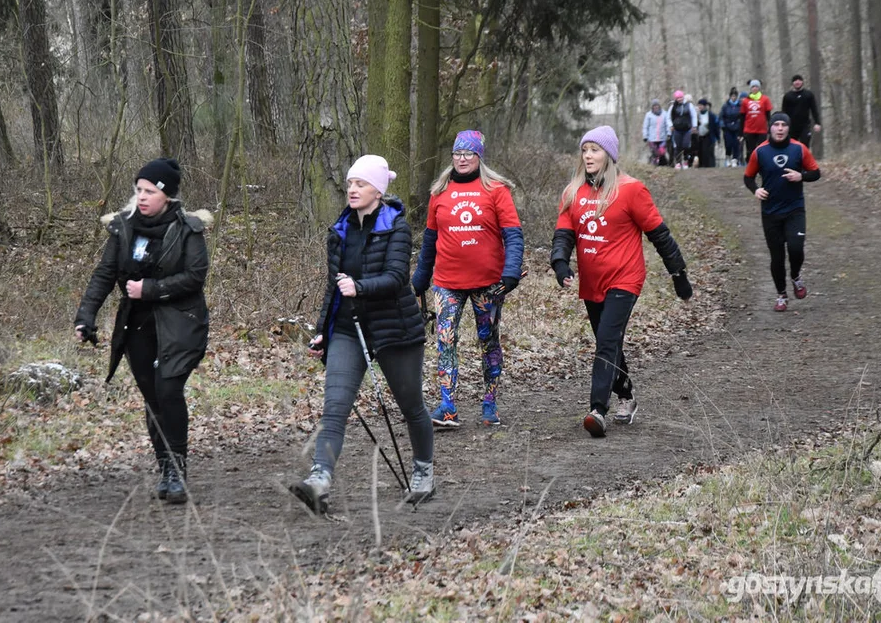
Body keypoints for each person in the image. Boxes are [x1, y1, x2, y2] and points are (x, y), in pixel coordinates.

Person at [292, 155, 435, 513]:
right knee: (335, 407)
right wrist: (322, 330)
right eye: (350, 184)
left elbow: (397, 276)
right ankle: (319, 481)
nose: (352, 190)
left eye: (360, 184)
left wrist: (360, 286)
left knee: (411, 406)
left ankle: (423, 472)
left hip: (395, 330)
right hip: (347, 330)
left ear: (378, 190)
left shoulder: (396, 226)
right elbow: (333, 287)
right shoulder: (339, 231)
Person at [74, 158, 210, 504]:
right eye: (139, 190)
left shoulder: (188, 229)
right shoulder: (123, 229)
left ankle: (178, 470)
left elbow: (195, 277)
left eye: (150, 191)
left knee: (168, 389)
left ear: (167, 195)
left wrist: (148, 289)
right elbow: (104, 275)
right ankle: (165, 467)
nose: (142, 197)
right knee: (152, 397)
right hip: (136, 324)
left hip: (181, 322)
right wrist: (85, 317)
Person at [550, 126, 692, 439]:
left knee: (606, 340)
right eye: (585, 150)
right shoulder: (573, 191)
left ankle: (597, 410)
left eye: (595, 150)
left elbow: (660, 235)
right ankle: (626, 394)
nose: (588, 156)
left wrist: (678, 274)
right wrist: (560, 263)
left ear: (609, 155)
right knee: (609, 341)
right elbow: (564, 233)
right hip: (592, 280)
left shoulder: (631, 190)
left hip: (625, 278)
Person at [412, 130, 524, 428]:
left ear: (479, 157)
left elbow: (513, 235)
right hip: (447, 282)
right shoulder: (439, 192)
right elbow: (430, 240)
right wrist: (420, 278)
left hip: (488, 283)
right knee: (445, 341)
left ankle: (489, 403)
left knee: (488, 342)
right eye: (457, 154)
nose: (462, 159)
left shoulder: (497, 190)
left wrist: (511, 272)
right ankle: (447, 406)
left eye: (468, 154)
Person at [743, 113, 821, 312]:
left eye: (783, 125)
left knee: (796, 248)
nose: (779, 128)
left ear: (788, 128)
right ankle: (781, 295)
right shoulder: (760, 152)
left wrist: (800, 176)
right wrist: (756, 190)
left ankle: (795, 276)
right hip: (770, 212)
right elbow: (748, 177)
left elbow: (816, 173)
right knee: (776, 257)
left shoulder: (799, 148)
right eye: (776, 125)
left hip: (795, 209)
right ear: (770, 128)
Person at [781, 74, 822, 146]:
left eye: (799, 80)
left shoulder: (808, 94)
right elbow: (784, 112)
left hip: (805, 126)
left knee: (805, 144)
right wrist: (783, 124)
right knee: (791, 146)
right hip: (791, 126)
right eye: (795, 81)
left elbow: (814, 109)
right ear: (792, 83)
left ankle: (805, 157)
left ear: (802, 82)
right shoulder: (787, 96)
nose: (797, 82)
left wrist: (817, 123)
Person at [739, 79, 772, 165]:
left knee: (762, 149)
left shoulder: (765, 99)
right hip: (749, 129)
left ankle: (762, 166)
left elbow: (768, 115)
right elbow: (742, 117)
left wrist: (771, 127)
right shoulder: (745, 101)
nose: (754, 88)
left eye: (756, 86)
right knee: (750, 150)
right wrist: (740, 132)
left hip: (761, 130)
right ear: (750, 88)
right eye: (753, 86)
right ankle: (751, 166)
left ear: (759, 88)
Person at [666, 90, 698, 169]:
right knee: (677, 146)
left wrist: (694, 126)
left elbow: (694, 116)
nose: (679, 99)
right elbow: (668, 117)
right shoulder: (673, 107)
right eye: (678, 98)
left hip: (687, 129)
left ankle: (686, 161)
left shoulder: (689, 105)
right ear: (675, 98)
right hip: (677, 129)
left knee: (686, 145)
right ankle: (678, 162)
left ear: (683, 97)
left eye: (680, 97)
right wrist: (670, 126)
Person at [719, 87, 743, 167]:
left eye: (735, 96)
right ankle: (728, 157)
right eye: (732, 96)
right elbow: (721, 116)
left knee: (736, 144)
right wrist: (723, 126)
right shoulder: (725, 106)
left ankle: (735, 159)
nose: (733, 98)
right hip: (727, 128)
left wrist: (741, 125)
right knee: (728, 144)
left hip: (737, 128)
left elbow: (742, 116)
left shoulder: (740, 105)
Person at [642, 99, 670, 166]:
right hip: (652, 139)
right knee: (655, 153)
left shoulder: (665, 114)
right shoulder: (648, 115)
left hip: (662, 138)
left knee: (661, 152)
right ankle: (653, 166)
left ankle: (664, 165)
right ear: (652, 107)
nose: (656, 107)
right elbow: (645, 126)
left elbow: (667, 125)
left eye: (657, 105)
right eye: (654, 106)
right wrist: (645, 136)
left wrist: (669, 133)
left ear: (659, 106)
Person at [696, 98, 720, 168]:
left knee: (709, 152)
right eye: (699, 105)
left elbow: (715, 127)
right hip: (700, 136)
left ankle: (711, 166)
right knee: (701, 152)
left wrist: (717, 137)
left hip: (709, 136)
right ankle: (702, 165)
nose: (700, 107)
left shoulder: (711, 115)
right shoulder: (697, 115)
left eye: (701, 105)